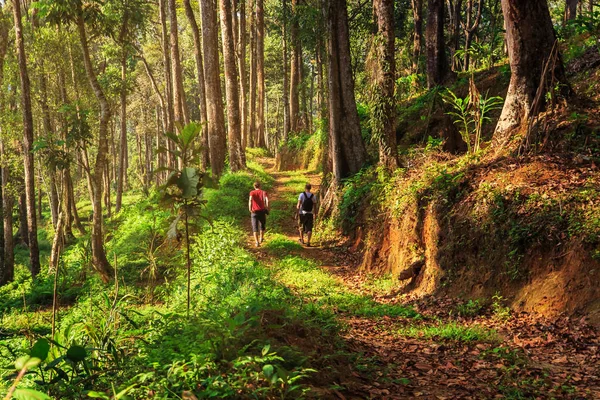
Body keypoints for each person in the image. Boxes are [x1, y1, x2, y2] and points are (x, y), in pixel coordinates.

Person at [249, 181, 269, 247]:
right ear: (260, 186)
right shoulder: (263, 192)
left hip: (254, 212)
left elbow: (250, 200)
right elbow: (267, 200)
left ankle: (257, 242)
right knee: (262, 225)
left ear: (254, 186)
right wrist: (267, 207)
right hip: (262, 211)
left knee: (255, 227)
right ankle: (261, 238)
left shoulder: (252, 192)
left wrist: (250, 208)